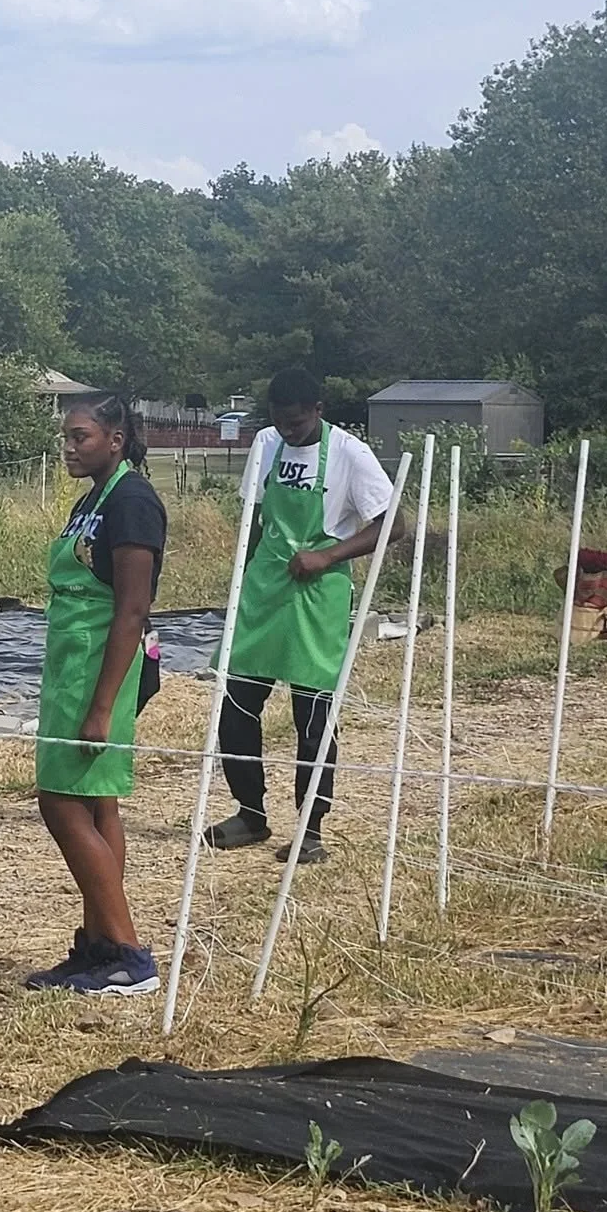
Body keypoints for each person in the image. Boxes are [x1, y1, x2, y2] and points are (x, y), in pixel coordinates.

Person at [205, 366, 397, 866]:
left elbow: (394, 524)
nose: (288, 431)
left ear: (318, 410)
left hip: (317, 596)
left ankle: (310, 829)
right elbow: (254, 519)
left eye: (296, 422)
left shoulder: (350, 454)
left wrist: (328, 556)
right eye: (279, 421)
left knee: (312, 717)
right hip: (265, 592)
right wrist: (244, 579)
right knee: (237, 705)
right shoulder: (266, 444)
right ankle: (250, 814)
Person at [25, 392, 166, 996]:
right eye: (66, 437)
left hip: (97, 666)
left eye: (80, 436)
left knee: (59, 803)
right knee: (97, 802)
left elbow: (132, 608)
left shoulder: (132, 502)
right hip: (72, 661)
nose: (69, 447)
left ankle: (130, 953)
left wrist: (103, 706)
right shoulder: (95, 498)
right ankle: (99, 945)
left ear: (115, 439)